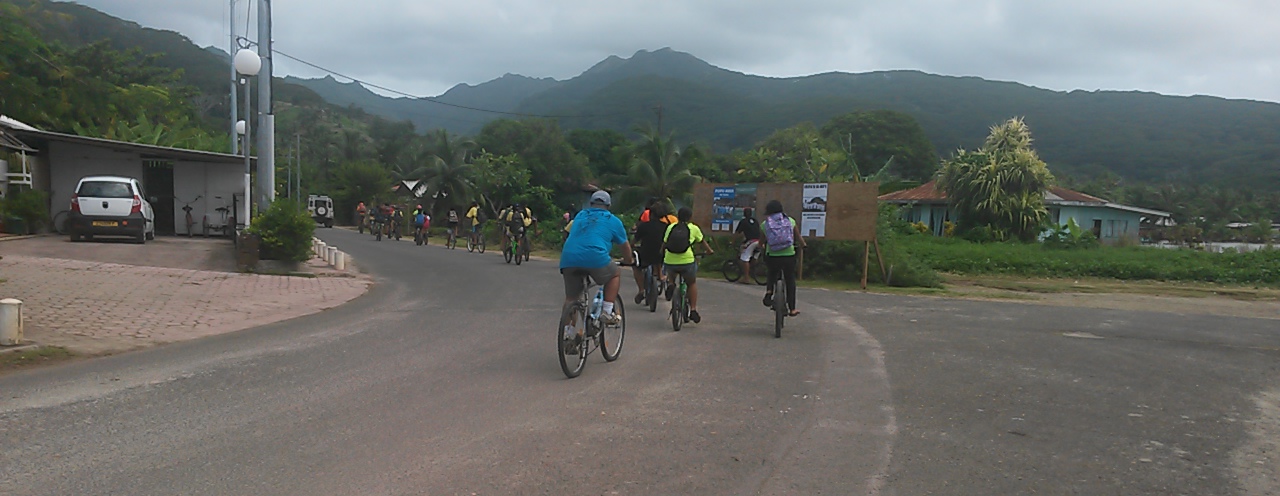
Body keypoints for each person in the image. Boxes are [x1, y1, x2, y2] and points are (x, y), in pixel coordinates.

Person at [561, 191, 634, 332]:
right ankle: (607, 311)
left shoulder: (580, 216)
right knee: (615, 274)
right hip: (596, 257)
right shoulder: (613, 221)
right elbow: (625, 246)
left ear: (591, 204)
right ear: (609, 205)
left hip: (568, 258)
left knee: (571, 297)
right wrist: (628, 260)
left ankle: (568, 334)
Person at [663, 206, 714, 323]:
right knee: (691, 283)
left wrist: (662, 253)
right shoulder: (693, 228)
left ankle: (671, 284)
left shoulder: (671, 227)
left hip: (670, 260)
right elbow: (702, 242)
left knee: (671, 273)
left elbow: (664, 243)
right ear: (690, 217)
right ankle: (693, 309)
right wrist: (709, 251)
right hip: (687, 261)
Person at [761, 199, 806, 316]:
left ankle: (769, 291)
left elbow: (761, 242)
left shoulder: (765, 224)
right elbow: (798, 237)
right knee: (790, 279)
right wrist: (803, 245)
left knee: (771, 272)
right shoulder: (790, 221)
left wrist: (761, 246)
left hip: (772, 256)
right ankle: (792, 308)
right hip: (788, 256)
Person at [630, 201, 669, 304]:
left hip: (645, 254)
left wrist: (631, 246)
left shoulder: (643, 226)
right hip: (661, 256)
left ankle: (641, 290)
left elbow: (634, 241)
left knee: (636, 266)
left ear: (650, 213)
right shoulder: (666, 227)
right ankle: (660, 276)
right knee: (659, 256)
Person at [733, 207, 762, 284]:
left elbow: (737, 233)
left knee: (744, 258)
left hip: (751, 241)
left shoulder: (743, 221)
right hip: (759, 241)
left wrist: (732, 242)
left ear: (744, 214)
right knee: (754, 256)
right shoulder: (755, 221)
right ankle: (752, 271)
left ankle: (746, 278)